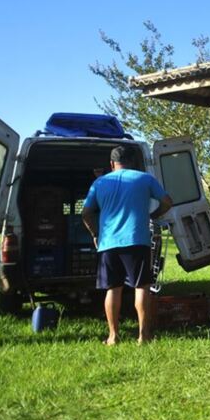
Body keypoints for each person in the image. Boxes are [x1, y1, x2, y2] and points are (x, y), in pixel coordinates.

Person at [82, 145, 172, 345]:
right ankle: (144, 336)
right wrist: (154, 215)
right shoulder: (145, 179)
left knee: (113, 289)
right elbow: (167, 201)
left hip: (108, 243)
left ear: (112, 164)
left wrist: (96, 234)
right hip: (137, 240)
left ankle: (113, 336)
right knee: (142, 287)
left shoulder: (99, 182)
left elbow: (86, 213)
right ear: (133, 162)